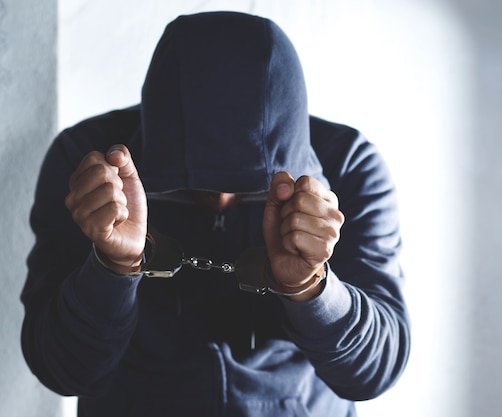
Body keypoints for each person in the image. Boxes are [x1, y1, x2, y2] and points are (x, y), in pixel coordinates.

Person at [21, 11, 410, 417]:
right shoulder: (91, 169)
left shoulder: (349, 167)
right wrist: (112, 267)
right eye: (196, 184)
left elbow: (374, 373)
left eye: (251, 187)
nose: (221, 200)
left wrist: (312, 290)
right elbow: (61, 371)